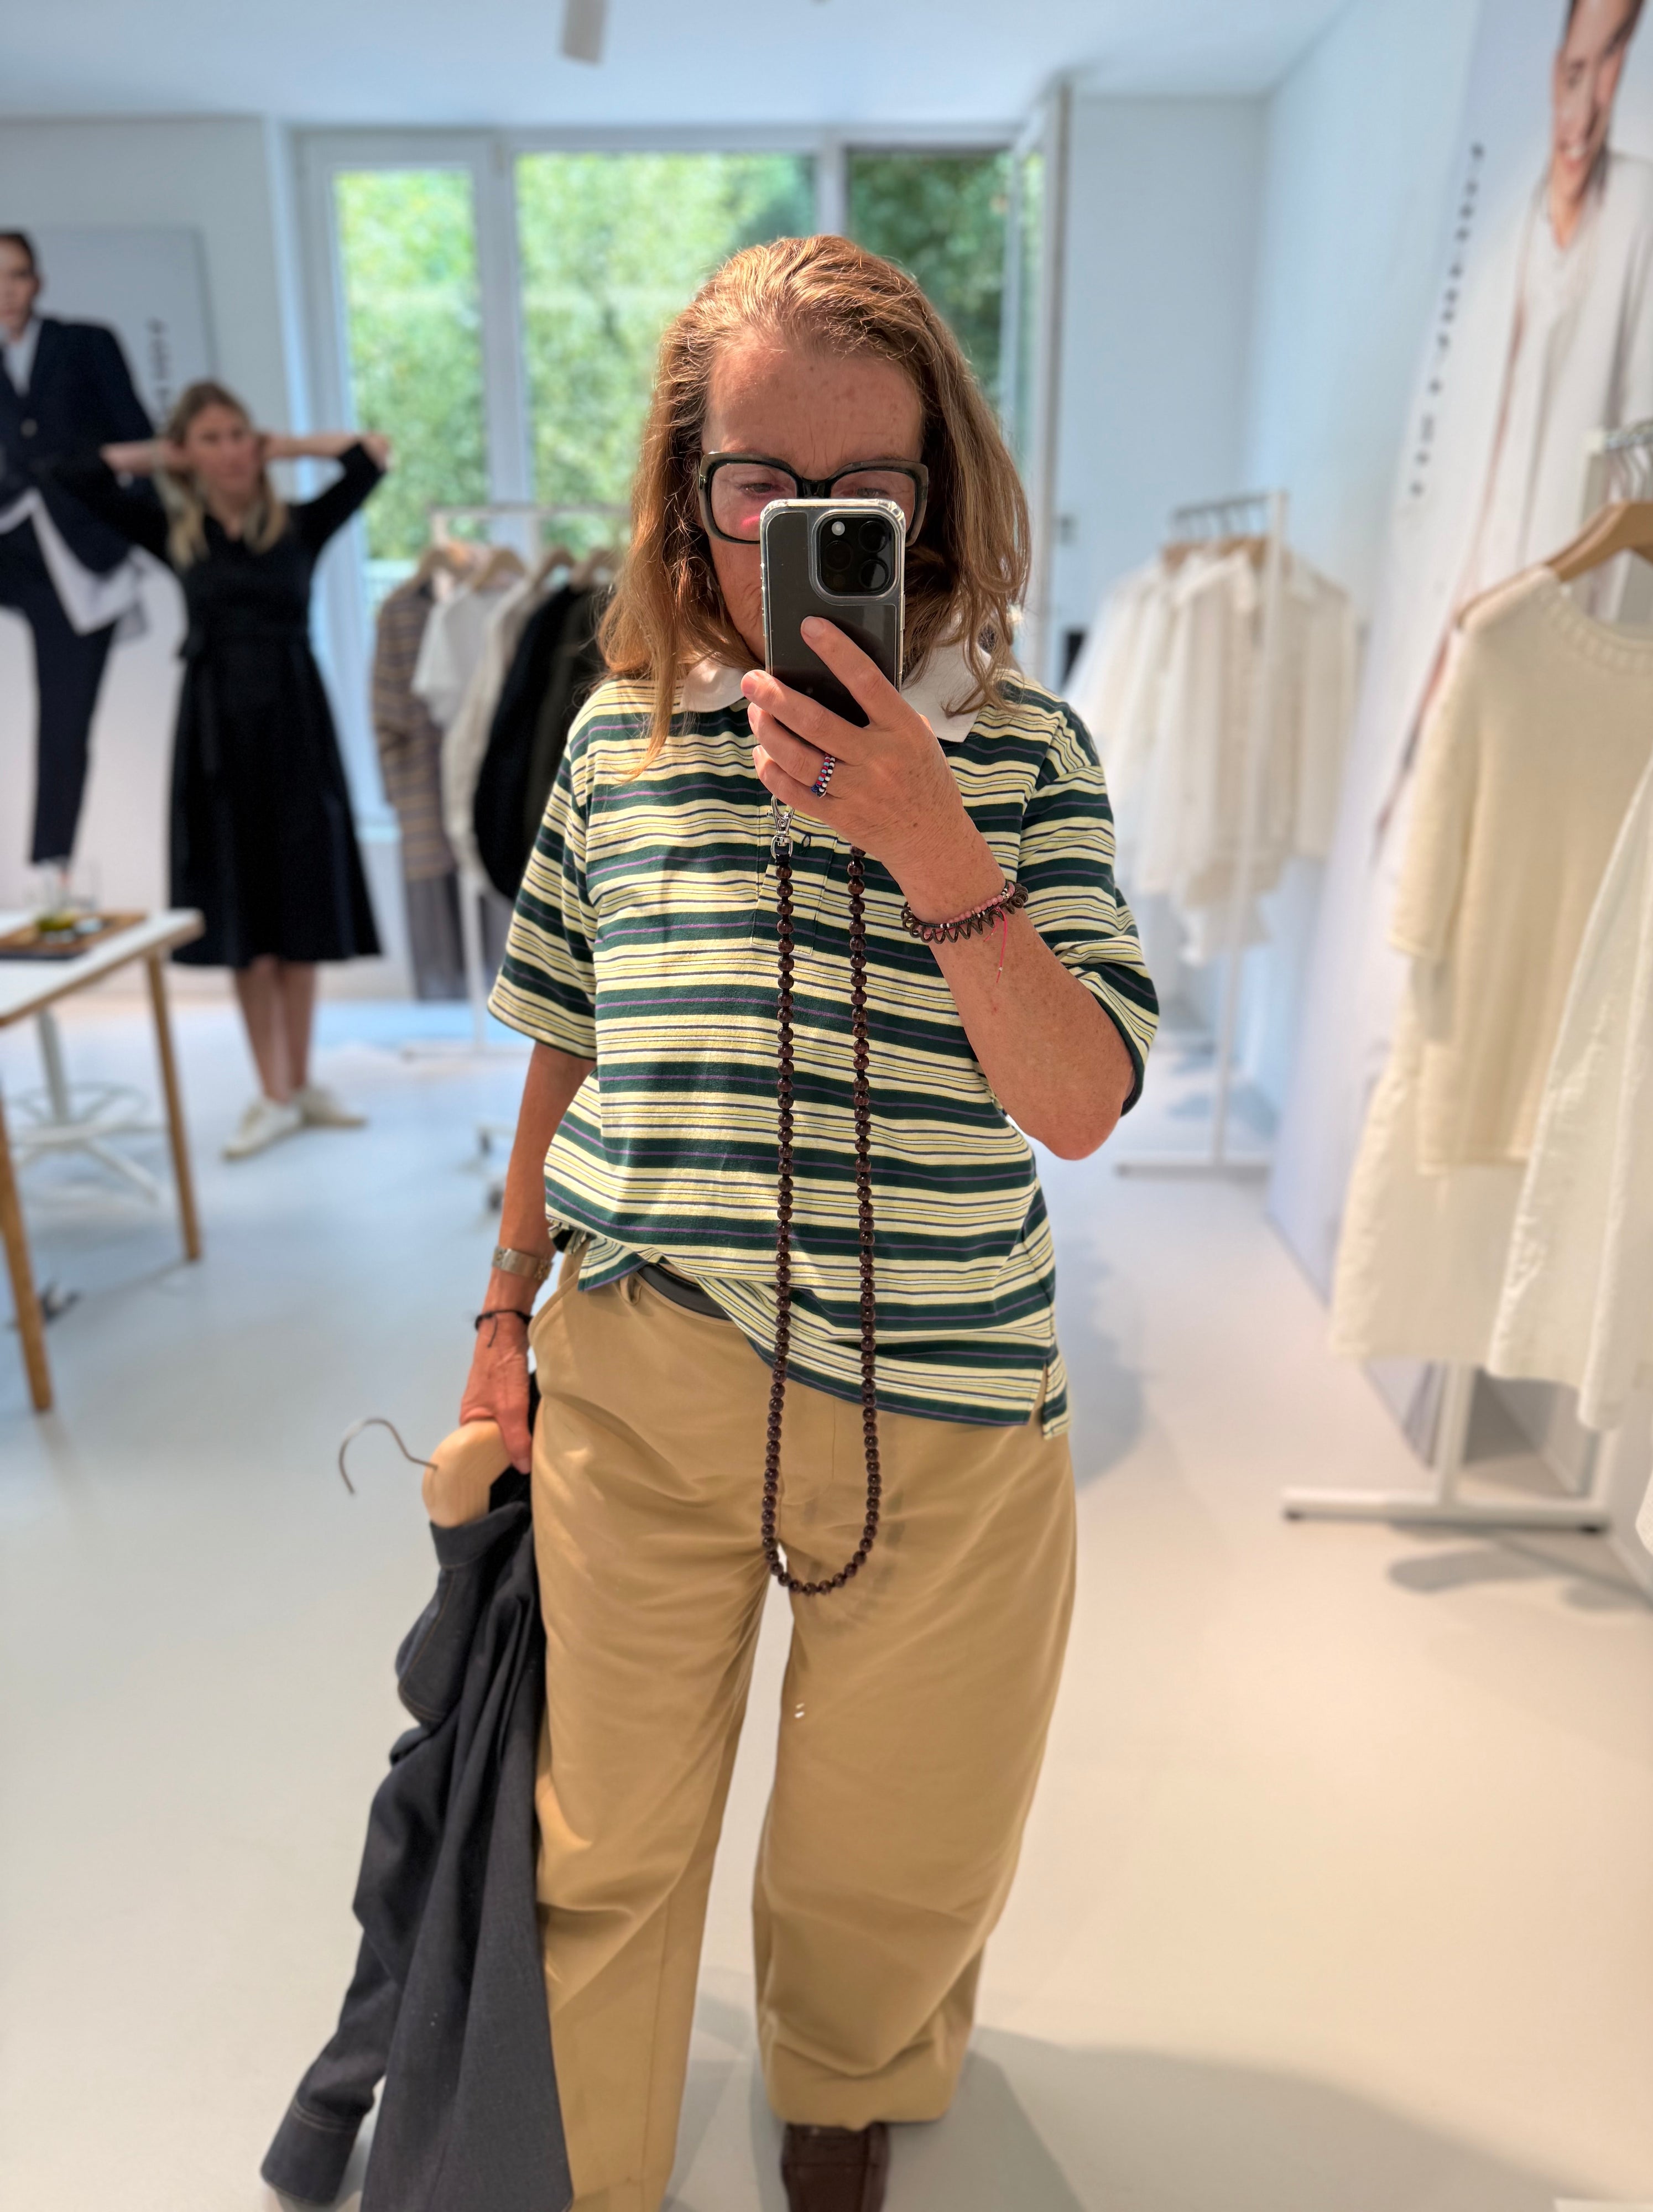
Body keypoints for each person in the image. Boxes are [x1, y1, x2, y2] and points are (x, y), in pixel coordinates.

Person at [463, 236, 1158, 2212]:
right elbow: (561, 1035)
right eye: (759, 481)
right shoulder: (613, 737)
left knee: (897, 1832)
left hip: (945, 1397)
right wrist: (500, 1310)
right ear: (688, 489)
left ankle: (844, 2081)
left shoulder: (1023, 752)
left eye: (863, 488)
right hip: (643, 1358)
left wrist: (929, 832)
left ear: (934, 496)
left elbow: (1080, 1099)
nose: (807, 529)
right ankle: (588, 2164)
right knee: (599, 1828)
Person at [47, 381, 389, 1159]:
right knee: (246, 914)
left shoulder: (299, 525)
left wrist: (284, 446)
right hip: (216, 738)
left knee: (300, 911)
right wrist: (163, 458)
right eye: (210, 438)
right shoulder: (178, 532)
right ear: (185, 453)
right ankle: (271, 1092)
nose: (231, 451)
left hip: (297, 729)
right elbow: (71, 474)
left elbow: (371, 459)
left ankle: (300, 1082)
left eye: (239, 434)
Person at [1461, 0, 1653, 600]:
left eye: (1610, 63)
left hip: (1572, 602)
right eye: (1575, 74)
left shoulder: (1642, 208)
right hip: (1489, 597)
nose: (1585, 112)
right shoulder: (1508, 241)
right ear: (1554, 74)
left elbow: (1641, 432)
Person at [0, 228, 155, 868]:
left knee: (64, 719)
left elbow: (139, 439)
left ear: (37, 282)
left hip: (76, 547)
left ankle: (50, 870)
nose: (6, 290)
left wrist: (132, 531)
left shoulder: (85, 344)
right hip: (10, 541)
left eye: (16, 275)